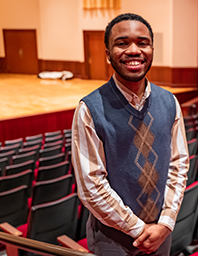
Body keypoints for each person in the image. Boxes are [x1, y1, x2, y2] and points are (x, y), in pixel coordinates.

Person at [71, 13, 189, 256]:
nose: (134, 50)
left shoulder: (169, 101)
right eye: (122, 43)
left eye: (142, 43)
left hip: (160, 234)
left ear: (152, 49)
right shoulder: (89, 109)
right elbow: (91, 186)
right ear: (107, 53)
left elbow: (179, 164)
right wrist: (139, 229)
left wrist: (166, 223)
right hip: (113, 240)